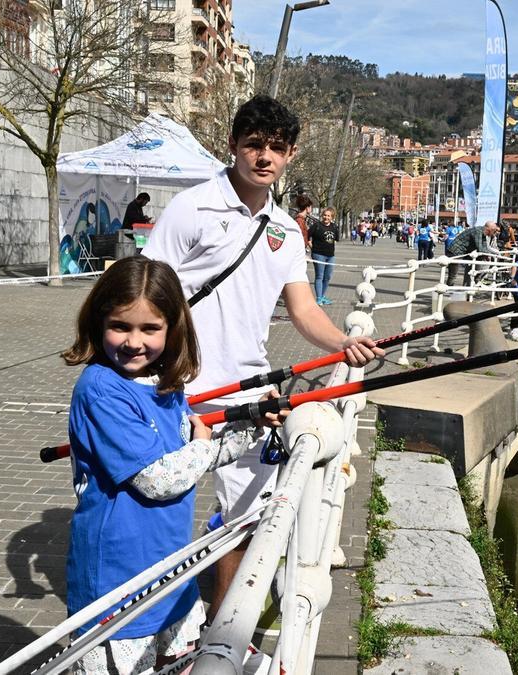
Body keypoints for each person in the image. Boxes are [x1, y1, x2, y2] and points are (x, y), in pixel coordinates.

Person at [141, 94, 383, 617]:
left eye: (276, 147)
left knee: (247, 516)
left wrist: (343, 343)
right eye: (254, 144)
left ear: (291, 153)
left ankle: (223, 627)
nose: (264, 156)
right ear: (233, 144)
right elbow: (143, 292)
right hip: (173, 389)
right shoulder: (191, 208)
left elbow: (303, 309)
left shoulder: (286, 230)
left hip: (248, 393)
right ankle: (156, 626)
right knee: (160, 512)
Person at [60, 256, 276, 674]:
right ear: (98, 322)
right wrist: (202, 444)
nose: (133, 342)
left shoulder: (163, 384)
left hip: (166, 567)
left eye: (150, 328)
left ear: (172, 329)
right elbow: (159, 479)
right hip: (117, 576)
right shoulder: (101, 389)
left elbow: (191, 458)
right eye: (120, 326)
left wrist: (251, 424)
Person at [444, 221, 500, 287]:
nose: (495, 233)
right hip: (454, 251)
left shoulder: (483, 233)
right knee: (453, 274)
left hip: (463, 252)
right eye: (494, 231)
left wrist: (488, 254)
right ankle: (448, 289)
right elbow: (480, 248)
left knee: (476, 266)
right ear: (489, 230)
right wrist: (489, 254)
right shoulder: (477, 231)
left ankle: (474, 282)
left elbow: (484, 247)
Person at [308, 206, 340, 304]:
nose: (326, 217)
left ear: (332, 217)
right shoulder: (316, 226)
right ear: (322, 216)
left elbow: (336, 239)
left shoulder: (334, 227)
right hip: (318, 254)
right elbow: (307, 237)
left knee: (327, 277)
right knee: (319, 276)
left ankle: (322, 296)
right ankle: (318, 298)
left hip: (330, 256)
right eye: (325, 215)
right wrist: (312, 247)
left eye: (328, 216)